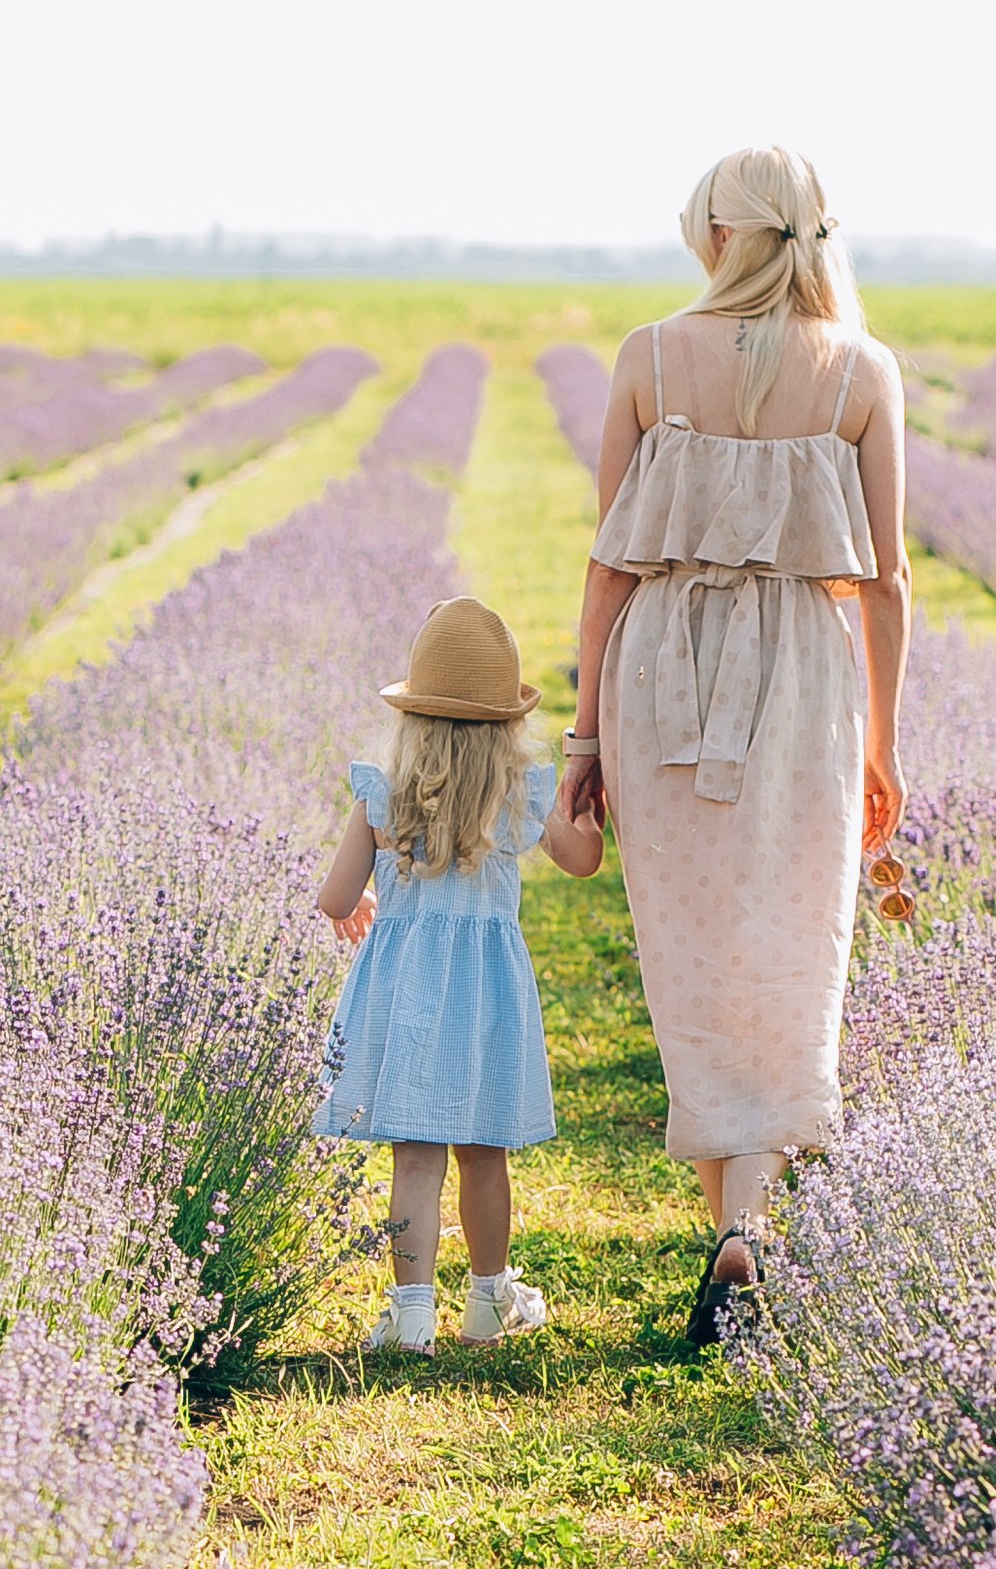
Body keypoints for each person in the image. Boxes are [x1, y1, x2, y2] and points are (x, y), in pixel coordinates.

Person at [559, 148, 910, 1346]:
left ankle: (737, 1231)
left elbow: (610, 563)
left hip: (662, 667)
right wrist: (884, 747)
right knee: (791, 948)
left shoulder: (650, 356)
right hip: (808, 680)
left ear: (716, 233)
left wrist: (582, 732)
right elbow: (888, 583)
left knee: (692, 956)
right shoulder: (863, 370)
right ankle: (745, 1230)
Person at [313, 596, 604, 1355]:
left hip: (407, 991)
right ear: (509, 720)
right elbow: (582, 862)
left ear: (415, 712)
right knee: (483, 1151)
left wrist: (369, 897)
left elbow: (335, 900)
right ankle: (487, 1299)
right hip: (486, 996)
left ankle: (411, 1316)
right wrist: (595, 804)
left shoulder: (383, 791)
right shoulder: (519, 790)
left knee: (414, 1156)